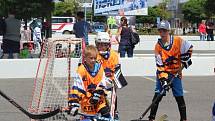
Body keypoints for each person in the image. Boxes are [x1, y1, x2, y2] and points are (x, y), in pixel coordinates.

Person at [148, 20, 193, 121]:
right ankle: (151, 118)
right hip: (163, 73)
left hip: (176, 74)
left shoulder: (178, 40)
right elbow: (159, 65)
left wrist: (186, 59)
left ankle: (184, 119)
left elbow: (189, 48)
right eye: (160, 31)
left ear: (168, 31)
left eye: (164, 30)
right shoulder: (158, 46)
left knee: (179, 96)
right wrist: (164, 80)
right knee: (157, 96)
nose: (162, 33)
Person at [68, 45, 112, 119]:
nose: (93, 60)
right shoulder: (81, 70)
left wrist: (98, 93)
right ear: (85, 58)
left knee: (107, 116)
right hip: (86, 102)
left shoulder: (99, 68)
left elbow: (104, 82)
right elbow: (77, 87)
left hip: (99, 101)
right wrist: (74, 104)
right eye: (91, 58)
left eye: (95, 58)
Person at [95, 32, 120, 120]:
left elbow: (117, 72)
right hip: (96, 86)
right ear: (96, 44)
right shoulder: (93, 55)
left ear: (108, 45)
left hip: (109, 85)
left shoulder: (114, 55)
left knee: (111, 107)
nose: (102, 47)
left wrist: (112, 80)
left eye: (104, 45)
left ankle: (114, 114)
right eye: (100, 44)